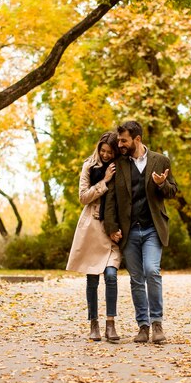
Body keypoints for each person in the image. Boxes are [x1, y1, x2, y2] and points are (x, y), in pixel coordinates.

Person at [104, 121, 177, 344]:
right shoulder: (119, 164)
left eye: (123, 140)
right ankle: (143, 326)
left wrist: (162, 184)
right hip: (129, 231)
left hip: (153, 228)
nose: (120, 144)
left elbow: (172, 191)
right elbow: (111, 200)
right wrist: (111, 227)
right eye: (119, 140)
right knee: (136, 279)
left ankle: (157, 324)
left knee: (152, 271)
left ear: (137, 139)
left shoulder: (160, 160)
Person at [66, 131, 122, 342]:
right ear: (98, 148)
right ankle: (93, 324)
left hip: (111, 229)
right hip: (92, 225)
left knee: (110, 275)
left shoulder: (120, 167)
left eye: (109, 152)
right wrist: (105, 181)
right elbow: (83, 197)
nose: (106, 155)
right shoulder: (89, 166)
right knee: (91, 279)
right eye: (103, 150)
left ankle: (111, 324)